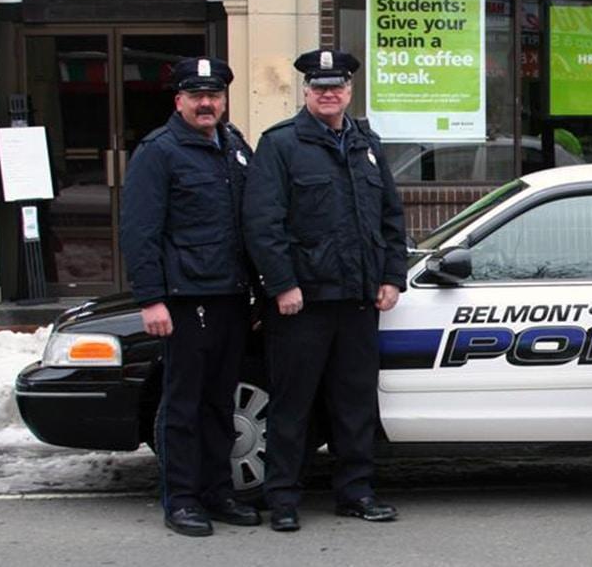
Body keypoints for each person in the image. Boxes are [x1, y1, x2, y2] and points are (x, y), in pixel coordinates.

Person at [244, 48, 407, 532]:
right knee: (292, 405)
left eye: (337, 86)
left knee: (354, 403)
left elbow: (390, 216)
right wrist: (282, 284)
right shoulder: (281, 144)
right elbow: (262, 223)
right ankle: (283, 498)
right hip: (303, 303)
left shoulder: (365, 142)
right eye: (320, 87)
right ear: (306, 92)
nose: (329, 94)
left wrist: (391, 276)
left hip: (358, 299)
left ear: (350, 91)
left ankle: (356, 492)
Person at [120, 57, 260, 537]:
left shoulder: (234, 147)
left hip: (231, 295)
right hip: (185, 298)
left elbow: (250, 222)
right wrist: (151, 299)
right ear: (178, 100)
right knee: (183, 405)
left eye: (214, 95)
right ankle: (181, 499)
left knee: (221, 402)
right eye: (197, 96)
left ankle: (218, 491)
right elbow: (140, 231)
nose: (207, 104)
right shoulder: (158, 151)